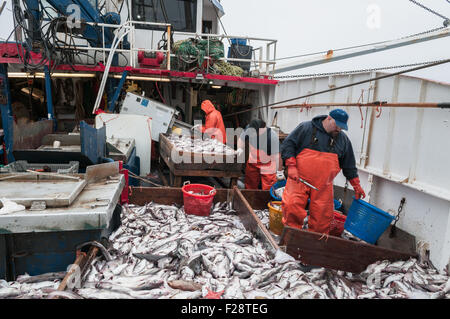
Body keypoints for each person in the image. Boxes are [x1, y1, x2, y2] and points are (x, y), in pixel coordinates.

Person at [280, 109, 365, 234]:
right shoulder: (306, 128)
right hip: (299, 179)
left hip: (323, 185)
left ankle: (315, 244)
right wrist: (291, 166)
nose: (339, 130)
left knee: (323, 218)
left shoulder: (343, 140)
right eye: (337, 125)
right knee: (291, 207)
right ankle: (290, 238)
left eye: (342, 128)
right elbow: (288, 144)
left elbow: (349, 165)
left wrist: (356, 185)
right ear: (329, 118)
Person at [237, 119, 285, 190]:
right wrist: (239, 148)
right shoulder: (249, 129)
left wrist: (279, 172)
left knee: (268, 187)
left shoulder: (272, 136)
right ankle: (249, 199)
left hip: (268, 164)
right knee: (250, 185)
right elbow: (241, 139)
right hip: (252, 161)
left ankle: (266, 200)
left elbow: (277, 156)